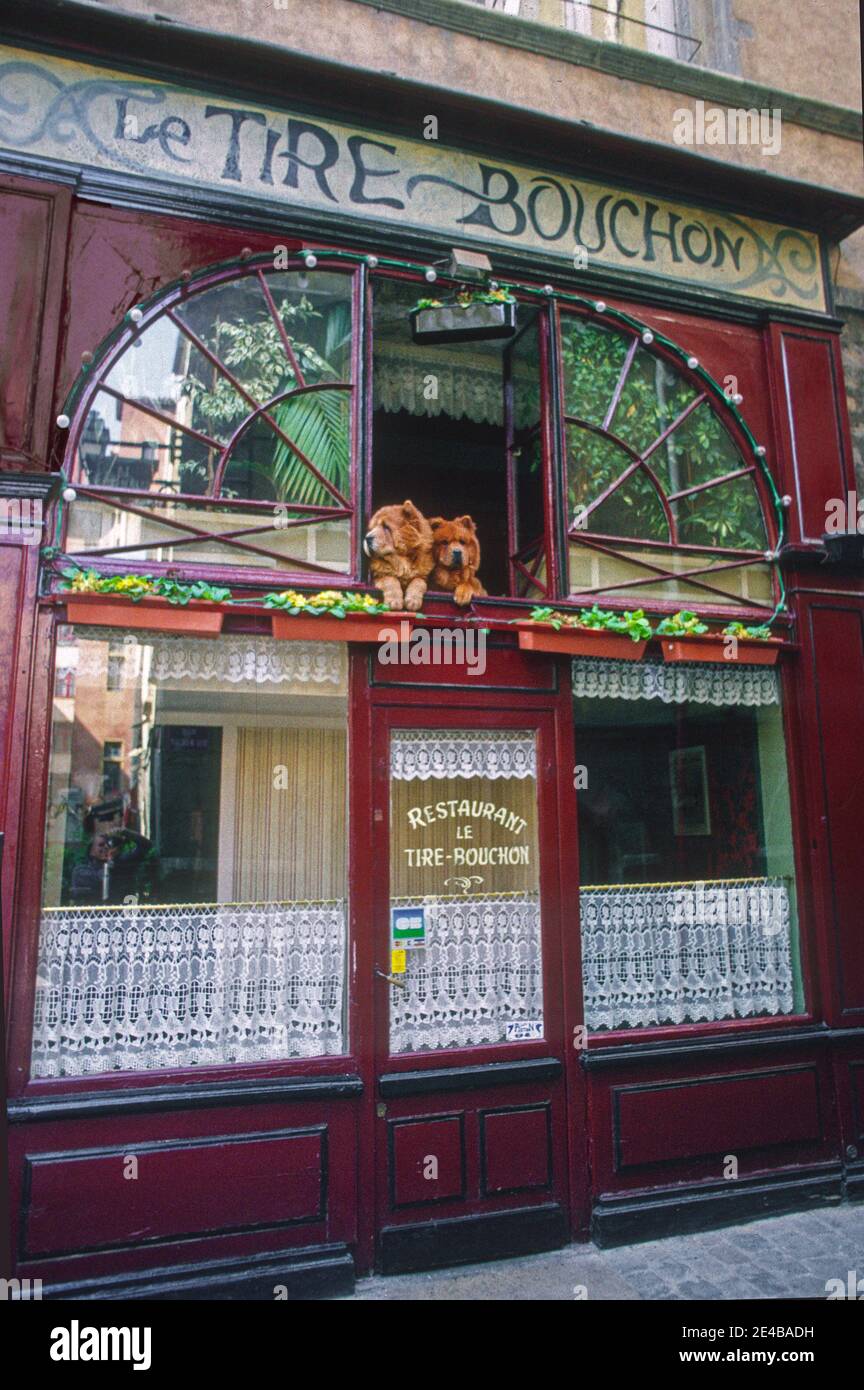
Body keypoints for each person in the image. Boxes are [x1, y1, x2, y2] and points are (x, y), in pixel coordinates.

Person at [68, 828, 153, 905]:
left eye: (108, 845)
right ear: (91, 851)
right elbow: (101, 881)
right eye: (101, 845)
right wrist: (110, 862)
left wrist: (125, 832)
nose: (105, 847)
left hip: (122, 916)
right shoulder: (80, 871)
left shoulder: (122, 865)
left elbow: (146, 845)